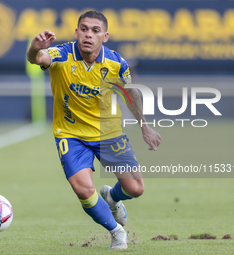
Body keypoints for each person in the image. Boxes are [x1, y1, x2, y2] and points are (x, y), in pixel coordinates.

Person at [27, 10, 161, 249]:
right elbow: (38, 59)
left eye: (95, 31)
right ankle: (116, 231)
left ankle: (112, 197)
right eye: (84, 29)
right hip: (71, 135)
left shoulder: (116, 63)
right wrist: (34, 48)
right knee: (83, 188)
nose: (88, 35)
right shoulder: (62, 54)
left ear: (105, 36)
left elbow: (130, 92)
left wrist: (145, 127)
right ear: (76, 32)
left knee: (136, 188)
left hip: (109, 134)